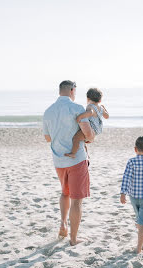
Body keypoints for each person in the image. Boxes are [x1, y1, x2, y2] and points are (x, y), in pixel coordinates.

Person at [42, 80, 95, 246]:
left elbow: (47, 138)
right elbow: (88, 134)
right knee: (77, 199)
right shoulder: (77, 108)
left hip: (58, 160)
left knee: (65, 193)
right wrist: (90, 138)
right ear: (72, 90)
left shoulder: (48, 111)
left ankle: (63, 224)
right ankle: (73, 238)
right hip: (76, 159)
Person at [65, 87, 109, 158]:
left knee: (76, 138)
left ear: (88, 98)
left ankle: (73, 153)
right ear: (100, 100)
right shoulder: (100, 108)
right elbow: (107, 116)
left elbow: (90, 112)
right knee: (82, 141)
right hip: (98, 130)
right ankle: (86, 155)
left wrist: (80, 116)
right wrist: (104, 109)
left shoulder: (90, 106)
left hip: (91, 129)